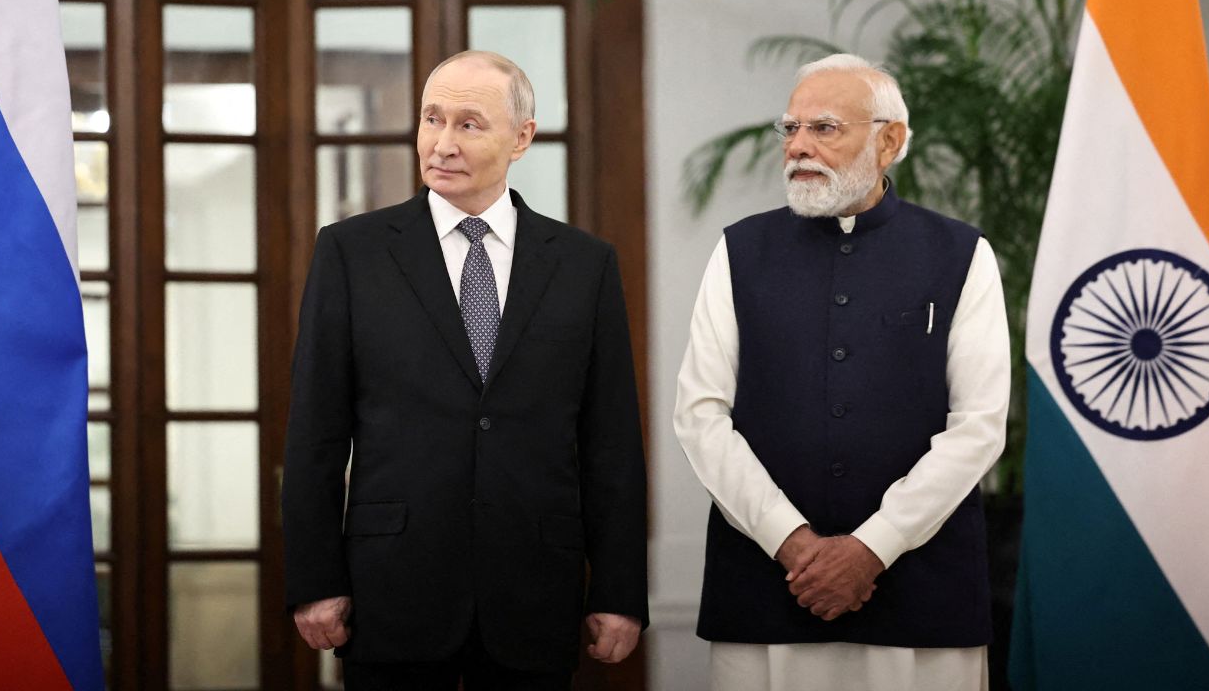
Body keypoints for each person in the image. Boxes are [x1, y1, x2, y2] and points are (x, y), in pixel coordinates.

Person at [282, 50, 648, 690]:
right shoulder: (351, 252)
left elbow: (610, 442)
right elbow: (315, 432)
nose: (442, 143)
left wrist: (618, 589)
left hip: (535, 596)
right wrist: (314, 582)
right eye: (431, 119)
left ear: (522, 138)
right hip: (392, 592)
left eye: (469, 125)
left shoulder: (585, 265)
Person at [674, 53, 1010, 690]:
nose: (798, 146)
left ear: (889, 140)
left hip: (921, 591)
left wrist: (871, 548)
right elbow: (701, 418)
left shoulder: (961, 254)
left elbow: (979, 426)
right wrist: (793, 543)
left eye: (823, 128)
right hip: (769, 587)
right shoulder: (740, 250)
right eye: (790, 129)